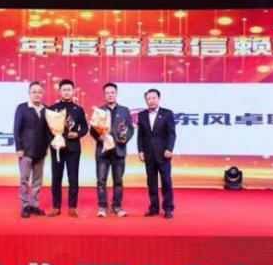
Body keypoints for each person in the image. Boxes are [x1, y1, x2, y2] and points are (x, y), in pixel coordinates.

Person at [90, 82, 133, 217]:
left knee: (118, 181)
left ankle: (117, 207)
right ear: (104, 95)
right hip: (103, 151)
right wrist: (100, 137)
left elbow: (130, 129)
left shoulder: (124, 110)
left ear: (116, 94)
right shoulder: (99, 111)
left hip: (118, 150)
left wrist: (125, 138)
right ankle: (102, 207)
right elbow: (92, 130)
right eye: (107, 93)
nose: (110, 95)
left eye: (112, 92)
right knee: (101, 181)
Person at [47, 79, 88, 217]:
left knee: (73, 178)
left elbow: (85, 128)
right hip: (57, 148)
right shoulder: (52, 109)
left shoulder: (78, 109)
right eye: (64, 90)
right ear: (59, 91)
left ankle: (72, 207)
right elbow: (47, 129)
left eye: (69, 89)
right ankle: (56, 207)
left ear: (73, 91)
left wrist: (77, 134)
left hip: (73, 148)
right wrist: (53, 141)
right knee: (56, 178)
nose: (66, 92)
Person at [137, 88, 176, 219]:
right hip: (148, 154)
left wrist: (169, 149)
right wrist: (140, 151)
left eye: (154, 98)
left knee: (166, 181)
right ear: (146, 101)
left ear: (158, 99)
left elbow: (171, 133)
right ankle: (153, 208)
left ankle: (168, 208)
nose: (151, 101)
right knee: (151, 182)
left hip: (164, 154)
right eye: (149, 99)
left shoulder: (167, 114)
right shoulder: (142, 115)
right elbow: (140, 135)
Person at [13, 81, 49, 218]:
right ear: (29, 93)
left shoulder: (46, 109)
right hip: (26, 150)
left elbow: (48, 131)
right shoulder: (22, 108)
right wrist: (19, 148)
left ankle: (34, 205)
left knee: (37, 181)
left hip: (41, 150)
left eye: (39, 92)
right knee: (24, 179)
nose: (37, 94)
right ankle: (24, 206)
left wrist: (48, 146)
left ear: (43, 94)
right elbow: (17, 129)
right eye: (34, 92)